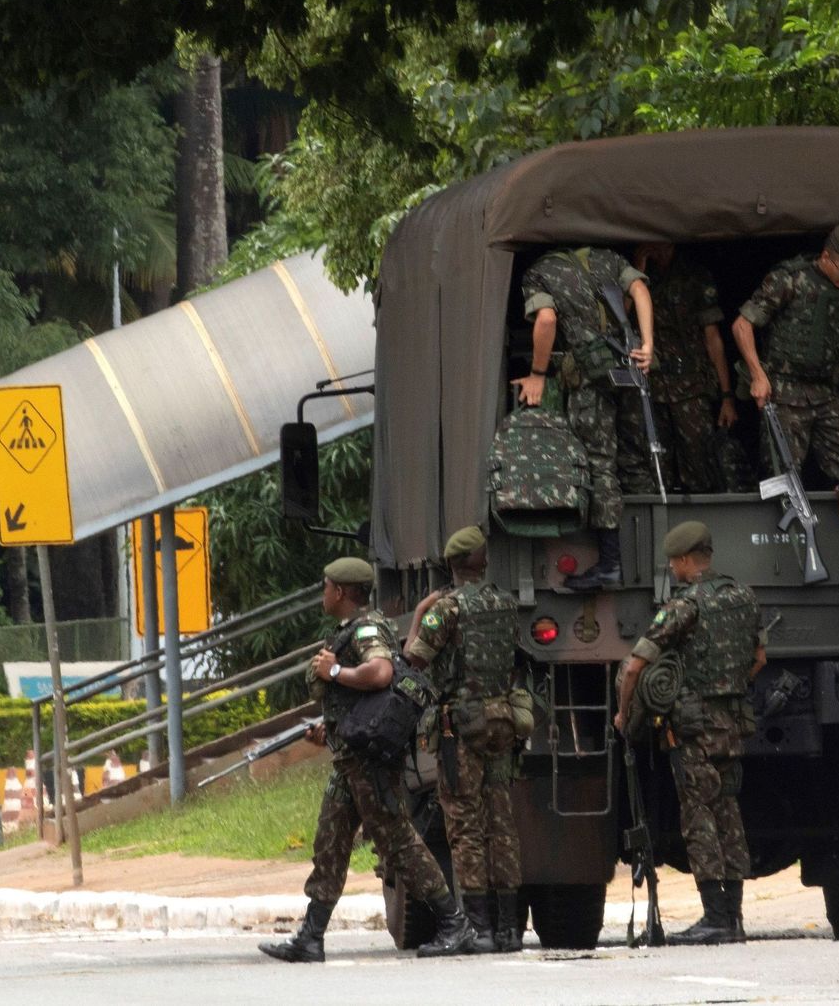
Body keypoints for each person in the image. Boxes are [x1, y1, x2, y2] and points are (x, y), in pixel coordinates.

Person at [261, 558, 475, 963]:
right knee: (331, 841)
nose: (323, 593)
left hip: (369, 763)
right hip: (350, 759)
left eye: (326, 586)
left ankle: (454, 922)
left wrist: (334, 671)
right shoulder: (355, 628)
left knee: (398, 841)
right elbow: (361, 698)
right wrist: (330, 729)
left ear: (340, 591)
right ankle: (311, 937)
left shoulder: (366, 629)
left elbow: (379, 674)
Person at [614, 521, 766, 945]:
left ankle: (715, 917)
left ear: (684, 560)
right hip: (733, 723)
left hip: (695, 727)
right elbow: (759, 658)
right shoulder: (743, 595)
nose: (672, 568)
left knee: (699, 815)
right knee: (729, 812)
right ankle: (733, 918)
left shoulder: (685, 606)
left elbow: (635, 667)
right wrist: (730, 687)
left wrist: (624, 715)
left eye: (673, 562)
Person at [404, 527, 524, 953]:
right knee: (502, 826)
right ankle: (510, 930)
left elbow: (413, 660)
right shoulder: (506, 604)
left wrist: (420, 613)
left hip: (461, 727)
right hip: (503, 720)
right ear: (484, 563)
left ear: (451, 565)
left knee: (465, 826)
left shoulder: (447, 609)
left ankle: (480, 929)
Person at [513, 247, 654, 590]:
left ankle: (610, 564)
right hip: (632, 368)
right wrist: (647, 345)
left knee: (599, 465)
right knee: (636, 456)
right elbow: (639, 288)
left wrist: (537, 374)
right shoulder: (609, 257)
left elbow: (547, 319)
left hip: (591, 379)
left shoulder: (539, 272)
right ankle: (652, 554)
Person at [730, 224, 839, 490]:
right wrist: (758, 375)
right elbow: (741, 326)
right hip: (784, 390)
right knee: (782, 476)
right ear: (826, 257)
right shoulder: (789, 279)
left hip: (825, 391)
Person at [616, 243, 737, 494]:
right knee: (656, 467)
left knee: (700, 462)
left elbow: (713, 339)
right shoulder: (636, 277)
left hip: (691, 386)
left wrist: (727, 397)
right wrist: (638, 270)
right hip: (650, 385)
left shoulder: (694, 275)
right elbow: (620, 316)